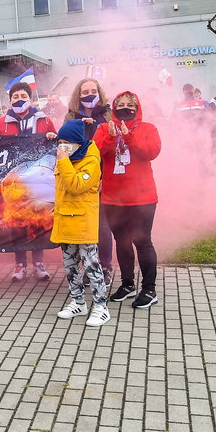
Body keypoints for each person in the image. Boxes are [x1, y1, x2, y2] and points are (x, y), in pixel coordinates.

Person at [93, 91, 161, 309]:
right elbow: (97, 153)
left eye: (129, 105)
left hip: (142, 197)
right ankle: (128, 284)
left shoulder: (148, 128)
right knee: (121, 241)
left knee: (142, 241)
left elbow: (151, 152)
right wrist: (112, 137)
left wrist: (129, 137)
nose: (124, 108)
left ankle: (149, 290)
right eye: (119, 104)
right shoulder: (104, 128)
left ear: (137, 107)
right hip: (113, 198)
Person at [0, 81, 57, 282]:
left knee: (37, 222)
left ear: (31, 99)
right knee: (16, 223)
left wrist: (53, 136)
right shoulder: (1, 122)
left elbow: (57, 145)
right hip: (13, 182)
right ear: (10, 101)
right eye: (16, 97)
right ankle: (20, 264)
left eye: (23, 97)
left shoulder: (45, 120)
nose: (20, 100)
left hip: (37, 181)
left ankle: (39, 263)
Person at [51, 120, 109, 327]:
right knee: (70, 265)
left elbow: (76, 185)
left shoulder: (90, 160)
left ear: (78, 142)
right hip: (65, 220)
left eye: (66, 142)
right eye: (60, 142)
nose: (62, 147)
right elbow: (62, 189)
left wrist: (64, 161)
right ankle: (78, 302)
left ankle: (101, 306)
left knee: (91, 265)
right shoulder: (67, 158)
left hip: (83, 222)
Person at [64, 78, 114, 283]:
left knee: (103, 225)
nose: (89, 94)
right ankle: (89, 267)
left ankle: (105, 266)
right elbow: (65, 145)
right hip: (80, 178)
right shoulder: (71, 116)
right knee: (85, 225)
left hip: (103, 176)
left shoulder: (109, 114)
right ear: (78, 94)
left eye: (93, 90)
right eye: (85, 91)